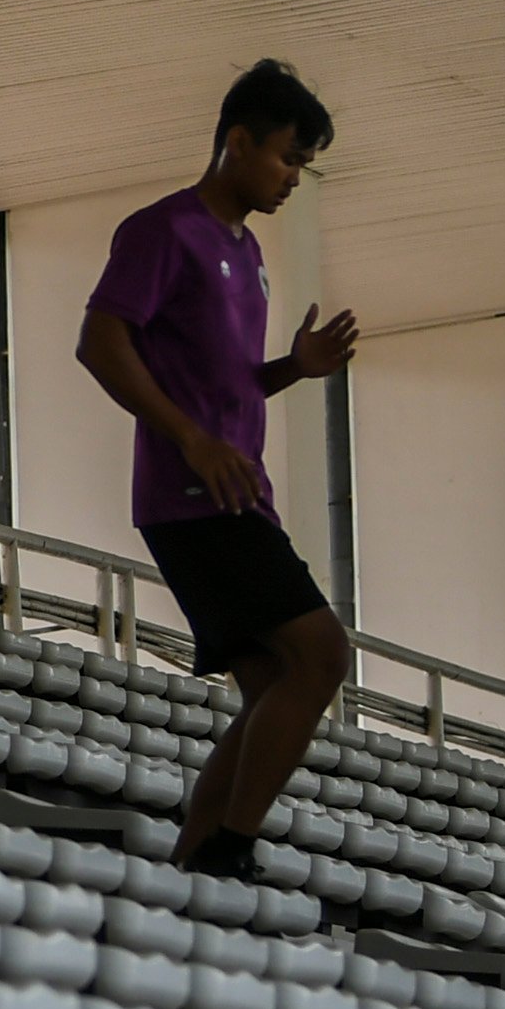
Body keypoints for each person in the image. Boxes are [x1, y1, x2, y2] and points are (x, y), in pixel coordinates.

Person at [74, 60, 361, 884]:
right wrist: (190, 441)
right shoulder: (163, 230)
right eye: (286, 159)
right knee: (322, 654)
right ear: (237, 142)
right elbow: (100, 342)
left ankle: (201, 856)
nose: (292, 178)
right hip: (192, 495)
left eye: (303, 165)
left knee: (277, 676)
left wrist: (292, 370)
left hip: (237, 491)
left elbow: (223, 379)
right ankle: (231, 843)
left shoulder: (249, 250)